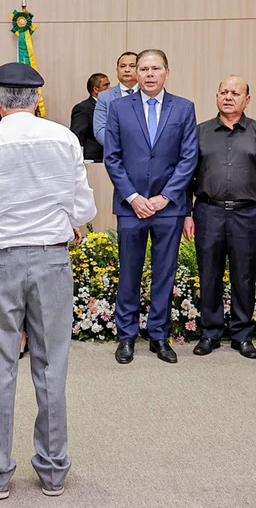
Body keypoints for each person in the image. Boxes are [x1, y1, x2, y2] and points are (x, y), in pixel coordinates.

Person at [0, 62, 96, 500]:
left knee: (1, 366)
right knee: (52, 366)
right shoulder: (64, 138)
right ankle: (53, 471)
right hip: (51, 263)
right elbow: (83, 209)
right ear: (36, 100)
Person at [104, 49, 198, 365]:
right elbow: (112, 157)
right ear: (136, 74)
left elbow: (189, 158)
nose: (149, 74)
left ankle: (159, 336)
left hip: (168, 208)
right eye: (143, 68)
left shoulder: (184, 108)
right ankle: (126, 337)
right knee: (129, 273)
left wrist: (165, 197)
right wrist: (134, 197)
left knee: (163, 275)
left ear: (166, 73)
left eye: (155, 68)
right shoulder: (118, 108)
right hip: (131, 207)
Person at [183, 75, 256, 359]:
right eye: (223, 92)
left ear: (247, 100)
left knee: (244, 276)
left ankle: (242, 335)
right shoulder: (199, 132)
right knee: (209, 274)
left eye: (235, 93)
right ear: (216, 97)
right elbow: (187, 176)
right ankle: (210, 333)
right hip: (207, 211)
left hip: (247, 213)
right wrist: (187, 213)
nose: (228, 97)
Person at [93, 51, 139, 146]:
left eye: (132, 66)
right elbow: (100, 129)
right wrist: (119, 148)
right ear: (117, 69)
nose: (127, 70)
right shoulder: (104, 97)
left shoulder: (148, 93)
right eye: (122, 66)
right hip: (116, 154)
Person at [68, 73, 108, 161]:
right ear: (96, 89)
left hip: (108, 157)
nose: (110, 88)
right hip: (93, 159)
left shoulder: (109, 106)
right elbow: (77, 136)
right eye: (106, 85)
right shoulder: (83, 108)